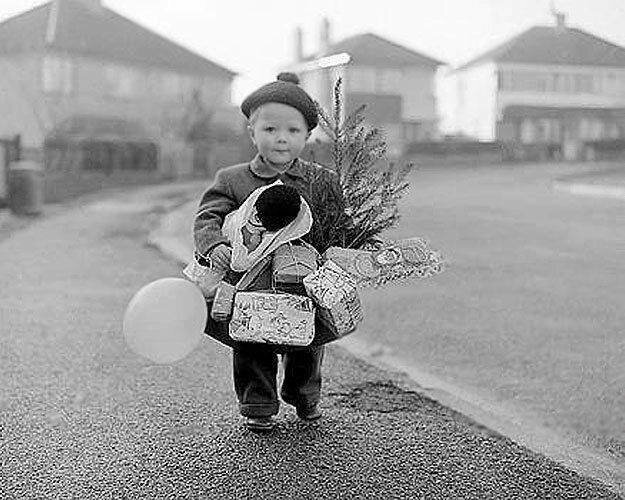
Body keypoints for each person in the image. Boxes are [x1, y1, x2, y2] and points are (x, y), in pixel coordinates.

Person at [193, 72, 346, 433]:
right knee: (250, 339)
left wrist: (344, 253)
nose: (281, 138)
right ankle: (258, 404)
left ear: (308, 136)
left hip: (303, 279)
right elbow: (207, 216)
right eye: (270, 129)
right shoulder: (232, 179)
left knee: (308, 338)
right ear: (252, 132)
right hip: (250, 281)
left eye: (293, 131)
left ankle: (305, 397)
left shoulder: (321, 180)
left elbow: (339, 224)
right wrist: (214, 244)